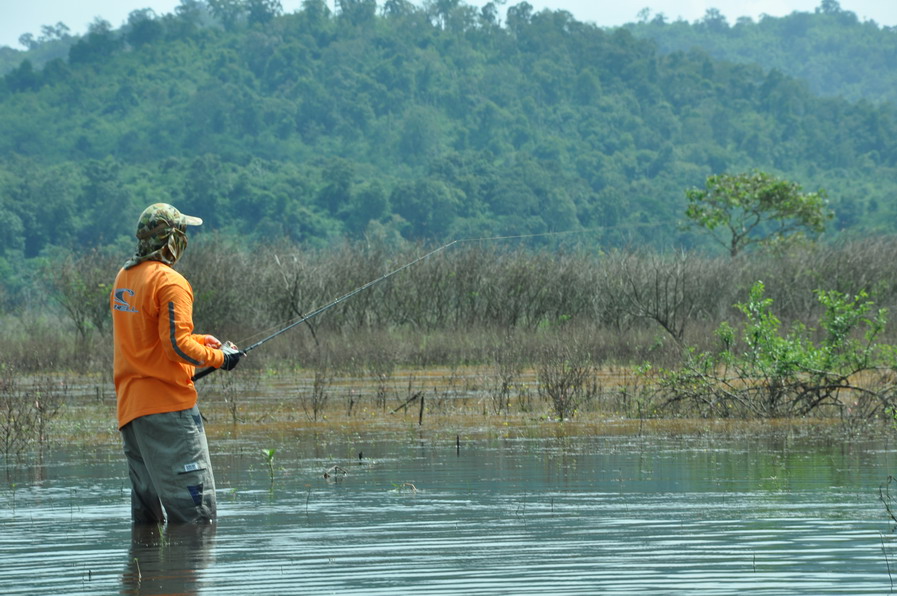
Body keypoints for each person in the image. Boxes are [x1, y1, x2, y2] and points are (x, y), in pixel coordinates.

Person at [111, 203, 242, 524]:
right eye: (182, 232)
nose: (185, 239)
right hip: (168, 413)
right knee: (198, 518)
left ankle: (146, 572)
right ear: (171, 239)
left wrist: (200, 341)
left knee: (147, 519)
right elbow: (176, 348)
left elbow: (150, 341)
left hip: (132, 414)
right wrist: (222, 358)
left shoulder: (125, 277)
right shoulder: (171, 282)